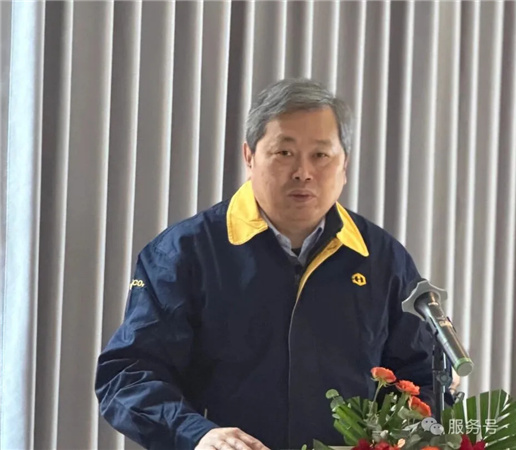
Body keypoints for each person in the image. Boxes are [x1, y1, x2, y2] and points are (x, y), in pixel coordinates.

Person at [95, 78, 439, 450]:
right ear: (249, 156)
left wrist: (404, 436)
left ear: (345, 164)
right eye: (284, 152)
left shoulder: (383, 258)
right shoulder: (184, 252)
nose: (303, 172)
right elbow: (128, 376)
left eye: (320, 155)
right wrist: (197, 434)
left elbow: (422, 377)